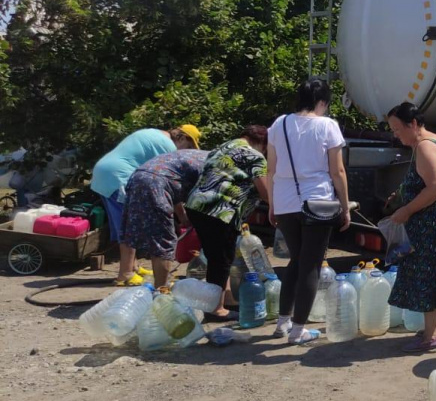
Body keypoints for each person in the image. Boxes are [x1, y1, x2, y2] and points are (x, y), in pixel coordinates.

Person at [267, 79, 350, 345]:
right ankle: (298, 330)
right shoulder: (327, 125)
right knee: (311, 265)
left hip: (284, 201)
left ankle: (283, 322)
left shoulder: (278, 124)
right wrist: (345, 206)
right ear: (322, 101)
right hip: (317, 202)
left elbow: (270, 169)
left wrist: (271, 204)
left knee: (295, 260)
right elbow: (337, 171)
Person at [382, 103, 436, 352]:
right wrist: (401, 193)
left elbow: (435, 187)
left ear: (413, 124)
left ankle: (430, 336)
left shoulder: (425, 147)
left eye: (398, 129)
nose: (396, 135)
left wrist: (405, 210)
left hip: (432, 221)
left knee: (429, 274)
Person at [91, 126, 201, 284]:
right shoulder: (167, 146)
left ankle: (133, 268)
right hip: (118, 176)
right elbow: (165, 181)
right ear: (182, 138)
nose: (187, 152)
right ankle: (126, 273)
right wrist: (183, 216)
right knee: (129, 225)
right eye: (189, 147)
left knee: (125, 223)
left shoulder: (154, 133)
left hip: (105, 174)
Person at [184, 126, 270, 321]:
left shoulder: (221, 148)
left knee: (216, 256)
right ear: (262, 143)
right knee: (221, 259)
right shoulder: (255, 156)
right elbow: (265, 192)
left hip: (196, 204)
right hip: (220, 210)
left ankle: (223, 300)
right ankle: (216, 309)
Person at [121, 149, 210, 288]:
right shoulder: (217, 166)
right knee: (163, 241)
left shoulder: (202, 156)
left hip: (138, 178)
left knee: (145, 234)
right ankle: (161, 291)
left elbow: (173, 181)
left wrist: (182, 215)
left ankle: (157, 285)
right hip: (155, 184)